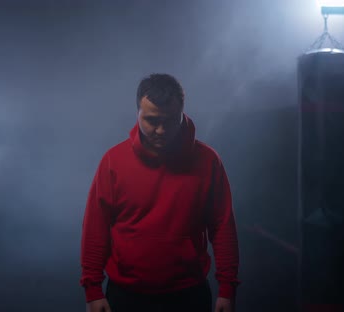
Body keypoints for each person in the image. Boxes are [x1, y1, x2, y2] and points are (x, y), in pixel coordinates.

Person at [80, 73, 240, 312]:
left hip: (189, 295)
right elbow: (96, 227)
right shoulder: (113, 161)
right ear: (138, 114)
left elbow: (222, 226)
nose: (161, 130)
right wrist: (92, 290)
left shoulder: (208, 161)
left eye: (170, 121)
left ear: (182, 115)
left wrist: (227, 289)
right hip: (126, 296)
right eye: (152, 120)